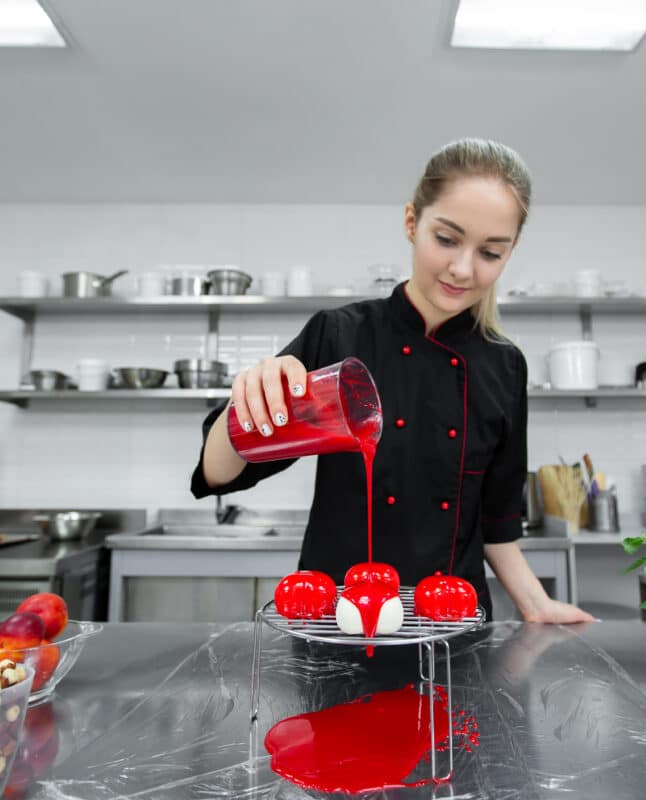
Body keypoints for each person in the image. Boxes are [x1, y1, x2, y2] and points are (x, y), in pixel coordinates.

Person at [191, 138, 595, 624]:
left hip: (451, 629)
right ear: (411, 222)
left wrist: (537, 604)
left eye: (490, 252)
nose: (463, 269)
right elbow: (221, 472)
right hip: (336, 625)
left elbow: (497, 523)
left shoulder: (505, 365)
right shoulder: (339, 335)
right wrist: (246, 405)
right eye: (446, 239)